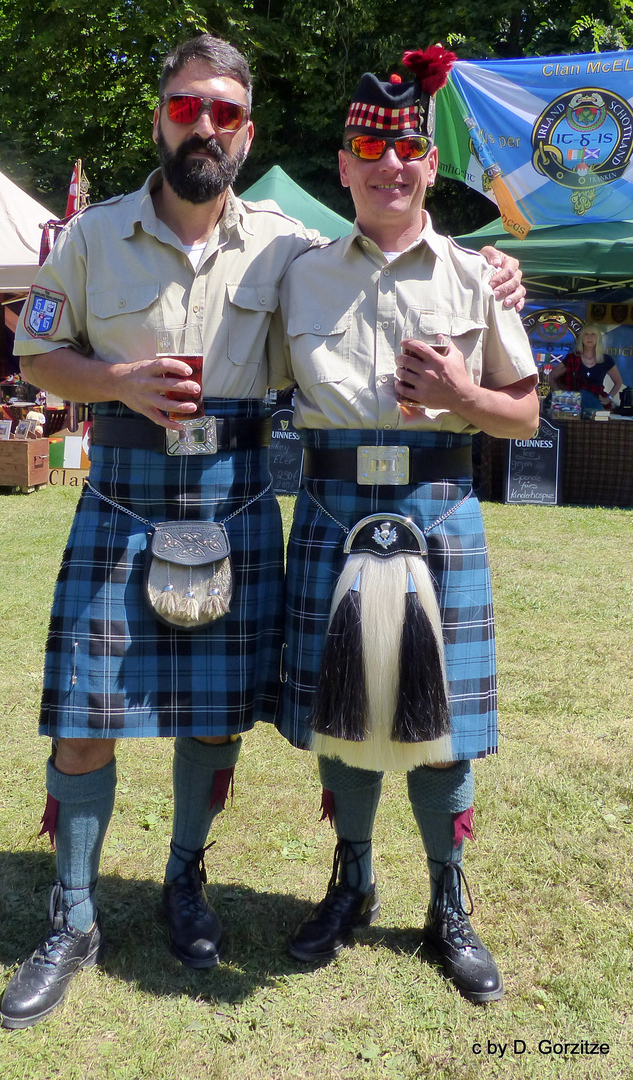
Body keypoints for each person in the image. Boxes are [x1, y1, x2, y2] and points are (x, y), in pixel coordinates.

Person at [0, 35, 525, 1029]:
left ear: (247, 131)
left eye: (224, 113)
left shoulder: (289, 247)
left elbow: (385, 274)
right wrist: (114, 381)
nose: (205, 125)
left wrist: (490, 273)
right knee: (80, 721)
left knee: (212, 717)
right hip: (119, 493)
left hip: (236, 496)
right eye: (188, 108)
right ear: (160, 116)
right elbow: (36, 355)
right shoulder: (91, 236)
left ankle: (184, 882)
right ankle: (70, 921)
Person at [271, 48, 539, 1004]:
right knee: (346, 716)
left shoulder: (477, 275)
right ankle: (351, 881)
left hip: (440, 513)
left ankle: (448, 903)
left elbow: (527, 412)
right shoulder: (293, 274)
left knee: (448, 728)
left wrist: (463, 391)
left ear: (431, 165)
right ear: (342, 165)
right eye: (369, 149)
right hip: (334, 513)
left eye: (409, 151)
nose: (391, 166)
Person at [549, 323, 623, 409]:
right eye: (586, 334)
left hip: (595, 404)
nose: (589, 337)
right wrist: (561, 396)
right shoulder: (572, 358)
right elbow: (551, 376)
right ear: (582, 338)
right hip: (573, 406)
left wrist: (608, 398)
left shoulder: (606, 359)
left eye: (593, 334)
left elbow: (618, 382)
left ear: (598, 338)